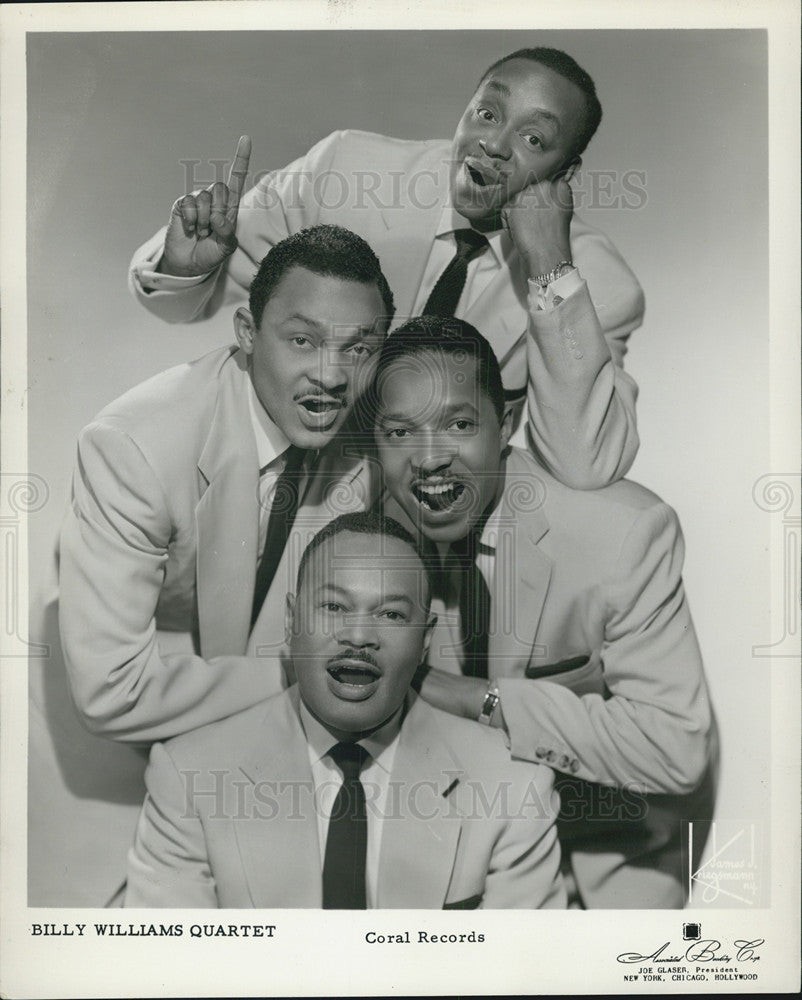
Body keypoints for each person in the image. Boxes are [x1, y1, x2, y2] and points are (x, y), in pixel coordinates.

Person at [129, 47, 644, 489]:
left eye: (534, 139)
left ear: (567, 173)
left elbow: (584, 464)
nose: (493, 144)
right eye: (487, 114)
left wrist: (549, 268)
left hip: (428, 518)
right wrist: (188, 264)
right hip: (281, 478)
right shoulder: (347, 171)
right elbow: (186, 305)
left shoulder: (595, 283)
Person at [369, 315, 716, 908]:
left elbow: (676, 750)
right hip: (480, 830)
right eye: (400, 433)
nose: (428, 460)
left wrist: (474, 698)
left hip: (624, 829)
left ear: (506, 424)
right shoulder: (370, 539)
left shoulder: (623, 534)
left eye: (457, 424)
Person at [124, 513, 565, 909]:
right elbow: (172, 974)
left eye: (391, 614)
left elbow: (517, 977)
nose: (358, 636)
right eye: (334, 607)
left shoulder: (513, 786)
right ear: (293, 619)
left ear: (426, 638)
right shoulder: (188, 777)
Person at [59, 224, 392, 745]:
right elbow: (110, 692)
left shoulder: (378, 438)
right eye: (303, 340)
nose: (330, 376)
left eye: (358, 349)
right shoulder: (133, 448)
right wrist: (302, 674)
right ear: (247, 331)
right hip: (139, 689)